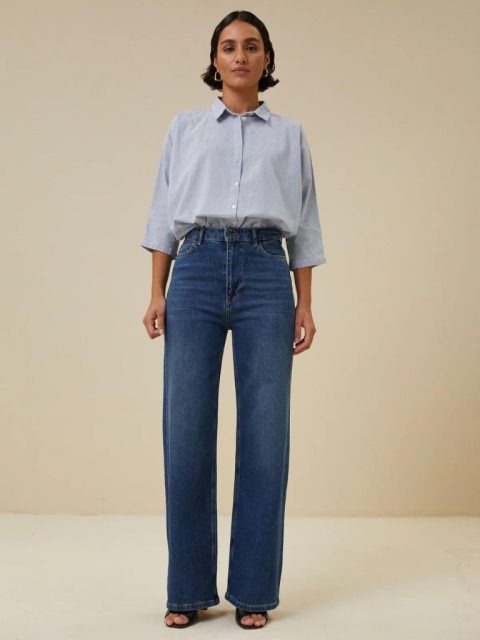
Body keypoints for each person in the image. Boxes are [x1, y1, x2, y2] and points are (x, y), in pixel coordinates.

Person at [141, 10, 327, 630]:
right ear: (215, 60)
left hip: (267, 274)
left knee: (266, 434)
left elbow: (306, 223)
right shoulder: (185, 128)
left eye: (251, 46)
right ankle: (188, 588)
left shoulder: (290, 135)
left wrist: (304, 302)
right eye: (228, 46)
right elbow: (164, 212)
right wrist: (157, 291)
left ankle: (253, 591)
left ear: (267, 59)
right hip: (193, 271)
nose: (240, 56)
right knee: (185, 429)